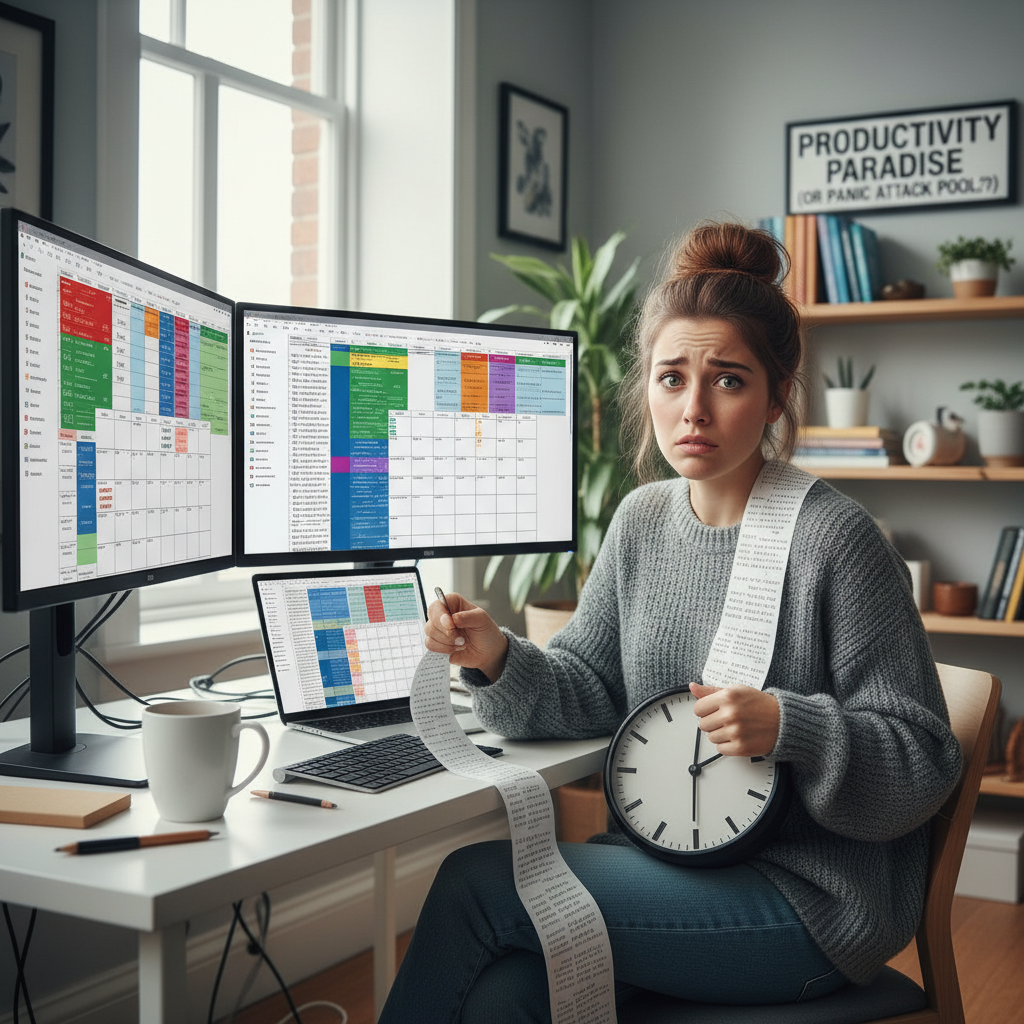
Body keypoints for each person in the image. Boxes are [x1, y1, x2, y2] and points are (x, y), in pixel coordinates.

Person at [378, 222, 963, 1023]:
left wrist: (792, 727)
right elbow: (589, 685)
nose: (693, 409)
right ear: (645, 387)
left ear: (776, 393)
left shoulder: (836, 540)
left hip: (806, 903)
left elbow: (926, 761)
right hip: (662, 863)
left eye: (727, 380)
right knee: (500, 1000)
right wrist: (499, 658)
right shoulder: (641, 520)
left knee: (478, 886)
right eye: (670, 377)